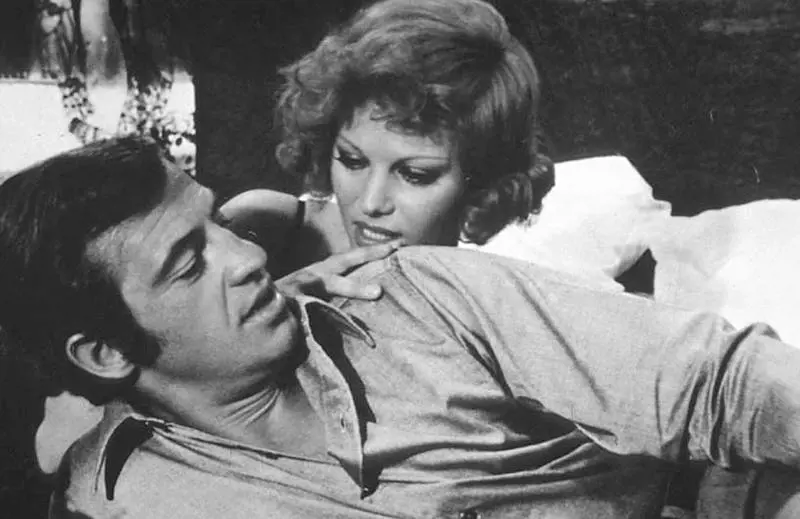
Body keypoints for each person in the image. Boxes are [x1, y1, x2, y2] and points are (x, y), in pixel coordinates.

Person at [5, 136, 800, 518]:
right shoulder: (122, 500)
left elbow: (718, 381)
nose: (247, 256)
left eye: (219, 224)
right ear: (103, 352)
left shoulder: (413, 293)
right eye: (189, 263)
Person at [221, 0, 555, 278]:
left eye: (415, 175)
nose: (371, 203)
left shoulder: (483, 303)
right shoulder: (263, 228)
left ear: (480, 185)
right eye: (352, 160)